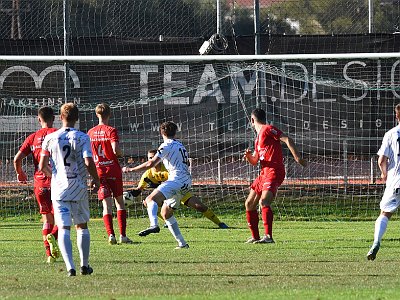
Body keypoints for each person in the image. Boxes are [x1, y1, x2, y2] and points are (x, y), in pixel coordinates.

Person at [39, 103, 100, 277]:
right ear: (77, 118)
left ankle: (70, 267)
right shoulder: (82, 137)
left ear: (60, 117)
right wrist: (96, 179)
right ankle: (84, 265)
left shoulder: (50, 138)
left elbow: (42, 165)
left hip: (58, 190)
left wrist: (56, 177)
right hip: (79, 187)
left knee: (64, 227)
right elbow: (88, 162)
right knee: (81, 226)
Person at [122, 121, 190, 249]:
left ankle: (154, 225)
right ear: (175, 132)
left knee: (150, 199)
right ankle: (182, 243)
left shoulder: (166, 145)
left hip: (176, 180)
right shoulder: (180, 145)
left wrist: (131, 169)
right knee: (166, 213)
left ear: (161, 132)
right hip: (186, 182)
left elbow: (151, 164)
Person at [243, 108, 307, 244]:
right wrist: (249, 157)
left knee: (263, 202)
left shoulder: (268, 129)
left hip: (274, 171)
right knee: (249, 204)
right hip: (263, 173)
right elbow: (255, 161)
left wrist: (298, 158)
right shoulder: (257, 139)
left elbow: (287, 139)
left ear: (252, 120)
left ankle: (268, 237)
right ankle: (255, 237)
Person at [124, 149, 228, 229]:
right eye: (149, 158)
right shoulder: (147, 175)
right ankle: (166, 222)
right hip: (164, 196)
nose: (151, 160)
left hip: (179, 191)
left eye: (153, 157)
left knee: (199, 206)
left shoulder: (169, 168)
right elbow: (139, 190)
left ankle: (220, 223)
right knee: (148, 203)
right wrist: (128, 195)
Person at [13, 106, 60, 264]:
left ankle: (49, 255)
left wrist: (20, 173)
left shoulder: (33, 137)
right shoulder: (58, 134)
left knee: (47, 219)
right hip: (57, 181)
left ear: (39, 119)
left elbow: (16, 159)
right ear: (54, 118)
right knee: (61, 219)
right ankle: (53, 236)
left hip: (39, 183)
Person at [88, 103, 133, 245]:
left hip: (99, 171)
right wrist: (120, 154)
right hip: (113, 169)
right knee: (119, 202)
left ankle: (111, 235)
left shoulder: (90, 132)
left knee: (106, 205)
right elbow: (115, 150)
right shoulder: (111, 130)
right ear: (110, 114)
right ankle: (123, 236)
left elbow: (88, 154)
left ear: (96, 115)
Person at [367, 104, 400, 260]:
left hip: (396, 181)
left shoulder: (391, 134)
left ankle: (376, 242)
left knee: (385, 213)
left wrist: (384, 174)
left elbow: (381, 160)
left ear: (397, 116)